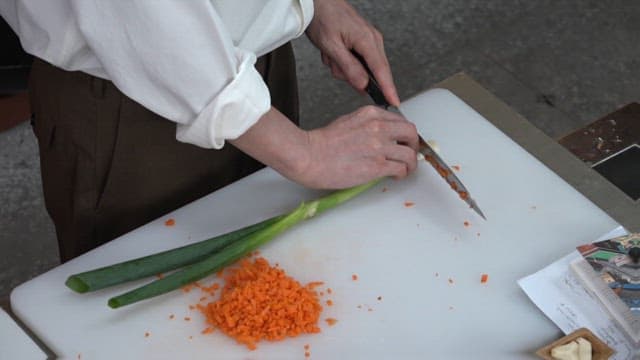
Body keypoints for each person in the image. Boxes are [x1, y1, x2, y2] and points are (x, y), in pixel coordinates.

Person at [0, 0, 419, 261]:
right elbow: (144, 15)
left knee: (274, 271)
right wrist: (303, 154)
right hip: (132, 103)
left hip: (254, 64)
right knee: (154, 318)